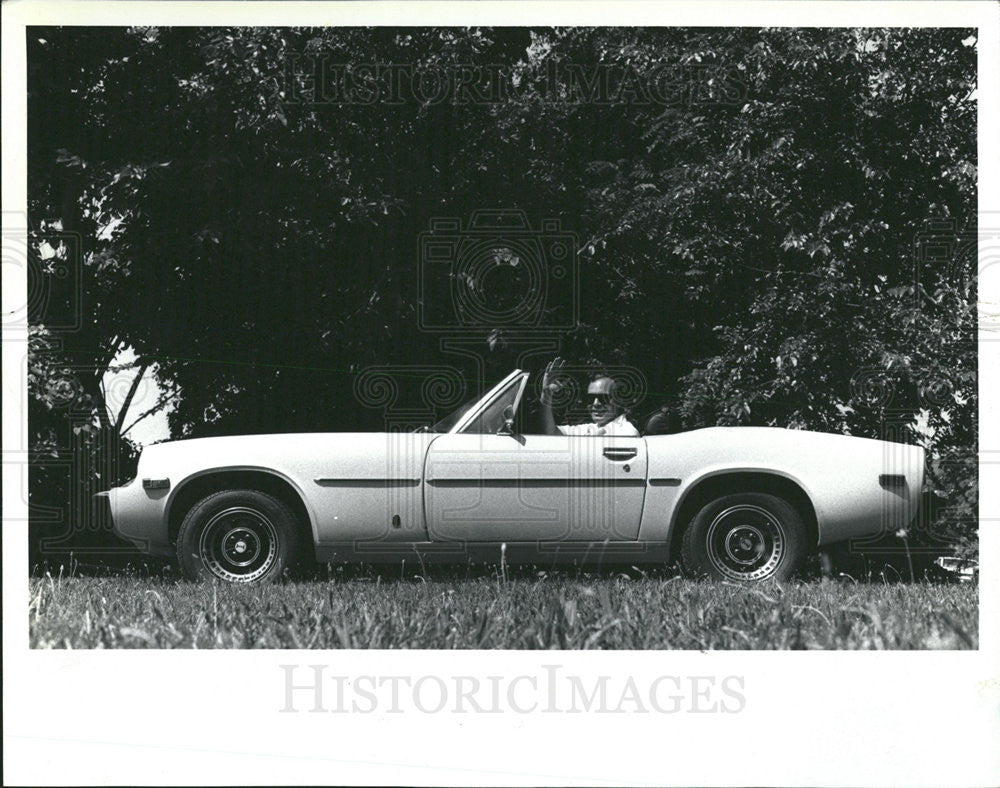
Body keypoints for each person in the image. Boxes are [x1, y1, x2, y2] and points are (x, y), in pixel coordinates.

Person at [539, 357, 639, 436]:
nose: (596, 404)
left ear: (618, 401)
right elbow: (551, 432)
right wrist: (546, 393)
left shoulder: (627, 433)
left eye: (603, 398)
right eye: (590, 398)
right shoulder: (591, 429)